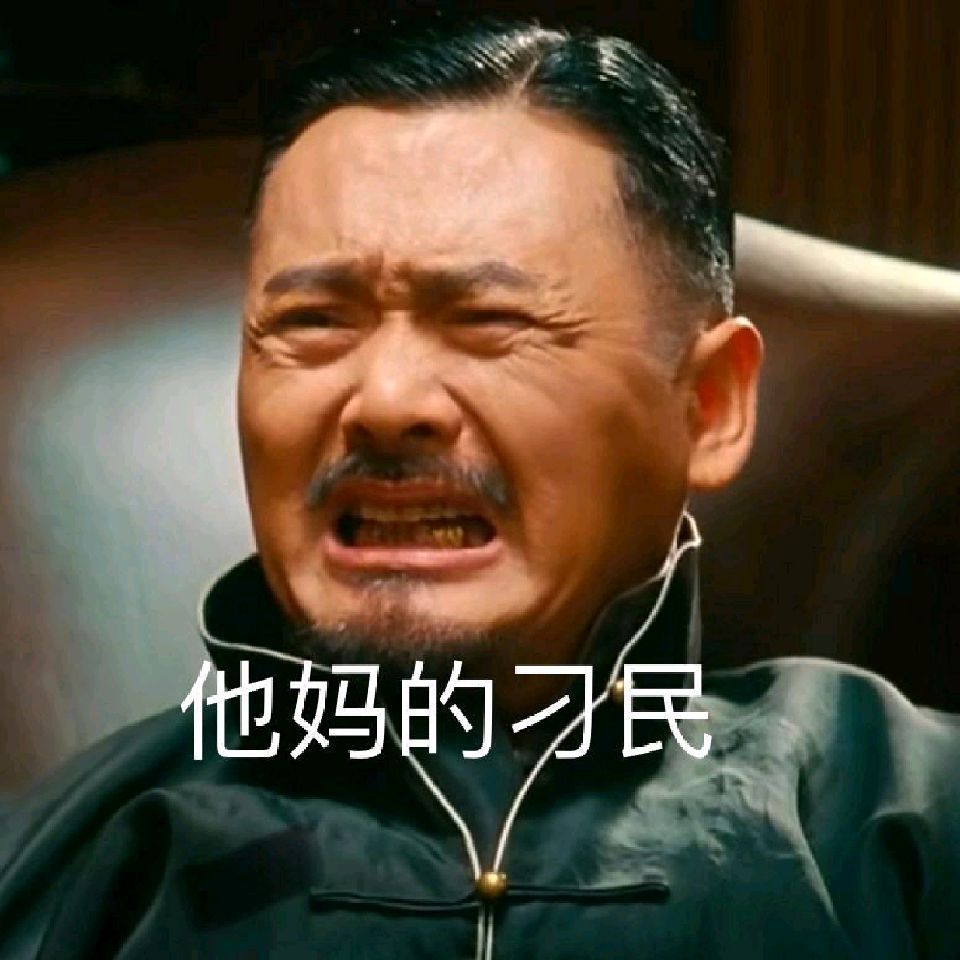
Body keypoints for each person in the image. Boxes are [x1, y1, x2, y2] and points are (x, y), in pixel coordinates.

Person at [2, 17, 959, 960]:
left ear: (707, 407)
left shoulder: (892, 818)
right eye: (314, 321)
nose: (386, 402)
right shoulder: (89, 853)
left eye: (489, 320)